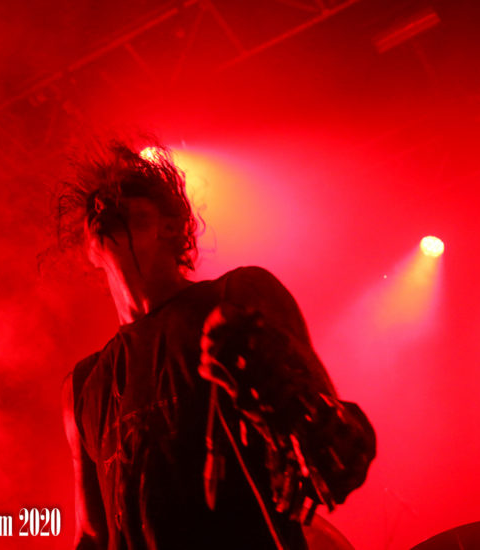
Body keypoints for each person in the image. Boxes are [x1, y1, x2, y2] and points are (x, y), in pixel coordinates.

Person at [57, 140, 375, 550]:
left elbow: (336, 453)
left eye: (123, 196)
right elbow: (91, 534)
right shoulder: (83, 385)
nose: (103, 206)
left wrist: (289, 407)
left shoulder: (236, 298)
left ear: (171, 225)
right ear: (89, 251)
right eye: (95, 205)